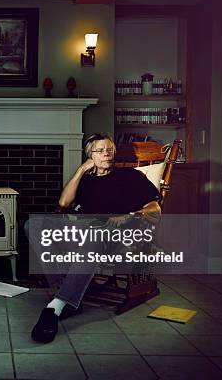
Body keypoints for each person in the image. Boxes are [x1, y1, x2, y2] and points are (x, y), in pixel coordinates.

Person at [31, 134, 162, 343]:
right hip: (82, 231)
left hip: (114, 235)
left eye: (109, 149)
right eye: (100, 150)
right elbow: (64, 203)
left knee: (94, 234)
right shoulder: (86, 180)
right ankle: (68, 296)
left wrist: (129, 216)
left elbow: (155, 208)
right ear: (90, 156)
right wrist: (82, 169)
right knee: (35, 224)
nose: (106, 154)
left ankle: (54, 307)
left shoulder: (130, 176)